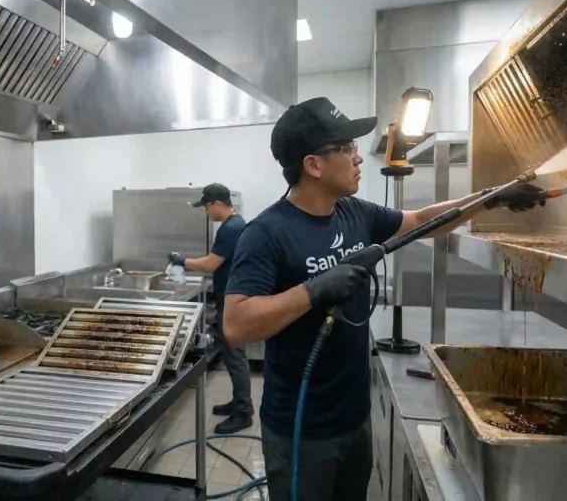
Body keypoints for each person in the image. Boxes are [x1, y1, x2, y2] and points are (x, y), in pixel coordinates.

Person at [222, 98, 545, 501]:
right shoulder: (266, 233)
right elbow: (235, 325)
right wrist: (315, 288)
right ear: (313, 165)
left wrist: (488, 197)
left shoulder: (354, 212)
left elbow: (420, 221)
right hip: (301, 429)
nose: (358, 157)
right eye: (346, 148)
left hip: (355, 417)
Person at [169, 183, 253, 434]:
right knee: (231, 354)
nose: (206, 212)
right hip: (233, 296)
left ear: (217, 204)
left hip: (233, 300)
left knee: (235, 356)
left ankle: (243, 412)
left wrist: (182, 262)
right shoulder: (235, 224)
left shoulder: (231, 228)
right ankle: (239, 402)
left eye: (206, 206)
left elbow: (211, 264)